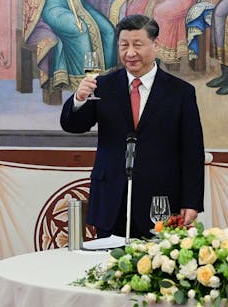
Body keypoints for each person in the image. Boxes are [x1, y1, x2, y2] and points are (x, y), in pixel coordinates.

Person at [60, 14, 205, 238]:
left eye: (137, 45)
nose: (130, 53)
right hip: (111, 200)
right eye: (123, 45)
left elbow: (192, 152)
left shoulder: (180, 92)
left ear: (155, 44)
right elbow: (73, 126)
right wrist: (79, 98)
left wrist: (192, 202)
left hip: (159, 204)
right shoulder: (103, 86)